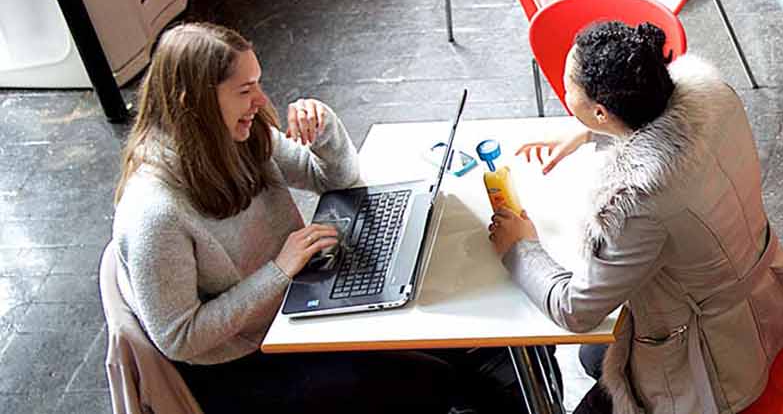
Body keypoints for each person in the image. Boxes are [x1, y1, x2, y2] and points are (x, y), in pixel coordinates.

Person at [110, 23, 523, 414]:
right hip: (243, 362)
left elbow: (338, 181)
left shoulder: (236, 137)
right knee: (435, 379)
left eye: (258, 83)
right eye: (245, 89)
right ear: (192, 103)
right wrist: (279, 271)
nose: (259, 101)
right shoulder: (155, 213)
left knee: (475, 343)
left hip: (296, 308)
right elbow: (178, 337)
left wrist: (324, 130)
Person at [487, 21, 783, 414]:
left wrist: (520, 246)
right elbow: (671, 132)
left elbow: (575, 309)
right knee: (593, 358)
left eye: (567, 87)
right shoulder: (717, 98)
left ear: (600, 109)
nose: (562, 91)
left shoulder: (636, 203)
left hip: (717, 357)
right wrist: (594, 132)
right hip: (776, 297)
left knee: (592, 382)